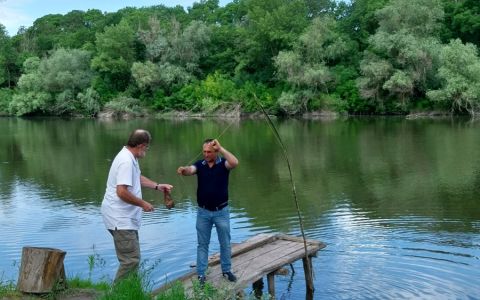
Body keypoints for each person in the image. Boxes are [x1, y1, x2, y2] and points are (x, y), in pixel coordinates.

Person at [101, 129, 173, 283]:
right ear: (140, 145)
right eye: (147, 147)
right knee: (130, 261)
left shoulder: (129, 157)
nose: (146, 151)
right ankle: (117, 295)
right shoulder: (126, 161)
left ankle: (129, 292)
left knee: (132, 259)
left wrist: (157, 186)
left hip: (122, 218)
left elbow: (136, 177)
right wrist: (142, 204)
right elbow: (121, 191)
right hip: (120, 219)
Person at [177, 138, 239, 284]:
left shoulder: (224, 164)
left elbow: (235, 162)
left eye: (209, 152)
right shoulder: (200, 165)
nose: (206, 154)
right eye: (204, 151)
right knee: (202, 244)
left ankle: (226, 270)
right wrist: (184, 170)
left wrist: (221, 148)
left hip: (221, 212)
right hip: (203, 212)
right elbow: (190, 170)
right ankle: (201, 274)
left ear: (215, 151)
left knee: (225, 243)